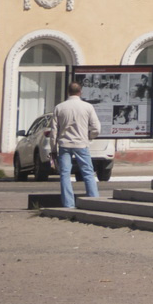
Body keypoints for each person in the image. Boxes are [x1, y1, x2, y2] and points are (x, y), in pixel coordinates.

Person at [52, 80, 101, 209]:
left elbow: (54, 130)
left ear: (68, 92)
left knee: (65, 174)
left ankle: (68, 204)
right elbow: (96, 128)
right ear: (80, 92)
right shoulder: (87, 107)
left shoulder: (59, 107)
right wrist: (89, 137)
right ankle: (94, 200)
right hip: (81, 143)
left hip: (64, 144)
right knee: (88, 172)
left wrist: (53, 148)